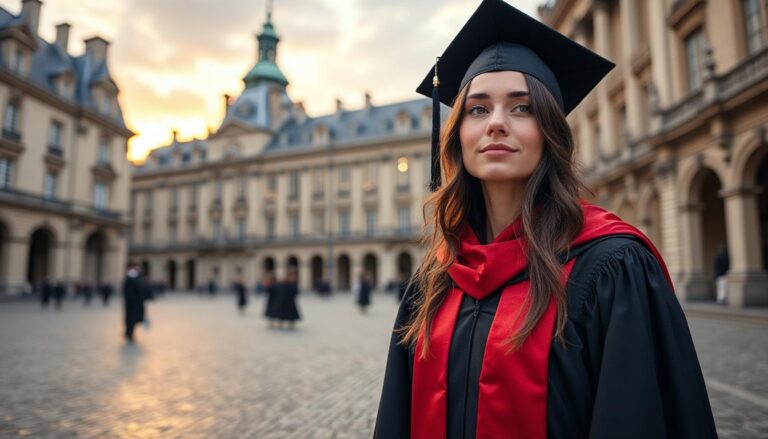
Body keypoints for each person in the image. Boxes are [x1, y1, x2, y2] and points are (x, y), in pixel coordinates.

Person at [374, 1, 716, 438]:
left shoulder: (610, 269)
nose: (496, 123)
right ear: (458, 135)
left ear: (551, 132)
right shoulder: (435, 279)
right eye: (478, 109)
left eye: (522, 108)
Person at [122, 262, 146, 342]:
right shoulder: (131, 278)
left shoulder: (135, 278)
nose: (140, 270)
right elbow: (129, 292)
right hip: (133, 303)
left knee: (132, 319)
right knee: (131, 319)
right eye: (138, 268)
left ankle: (129, 333)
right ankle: (129, 333)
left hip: (134, 303)